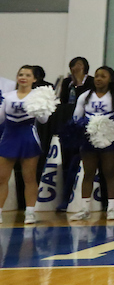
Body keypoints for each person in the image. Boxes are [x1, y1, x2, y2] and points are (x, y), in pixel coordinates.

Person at [70, 66, 114, 221]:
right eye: (97, 76)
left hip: (108, 137)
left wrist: (107, 127)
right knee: (88, 173)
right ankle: (85, 209)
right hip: (89, 137)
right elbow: (76, 117)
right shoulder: (85, 96)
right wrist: (86, 127)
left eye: (103, 76)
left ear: (110, 79)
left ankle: (111, 209)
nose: (99, 79)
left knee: (109, 172)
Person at [0, 66, 52, 224]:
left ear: (34, 79)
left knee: (29, 177)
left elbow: (44, 120)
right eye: (21, 74)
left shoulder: (38, 96)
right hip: (9, 137)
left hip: (28, 137)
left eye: (27, 75)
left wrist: (41, 108)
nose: (23, 77)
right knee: (2, 178)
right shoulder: (8, 96)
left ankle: (30, 212)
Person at [53, 57, 94, 212]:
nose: (76, 68)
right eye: (73, 65)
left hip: (86, 128)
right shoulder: (66, 82)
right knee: (68, 162)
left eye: (79, 65)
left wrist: (78, 82)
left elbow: (81, 99)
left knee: (78, 162)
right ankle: (65, 198)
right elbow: (64, 102)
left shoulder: (90, 82)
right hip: (70, 126)